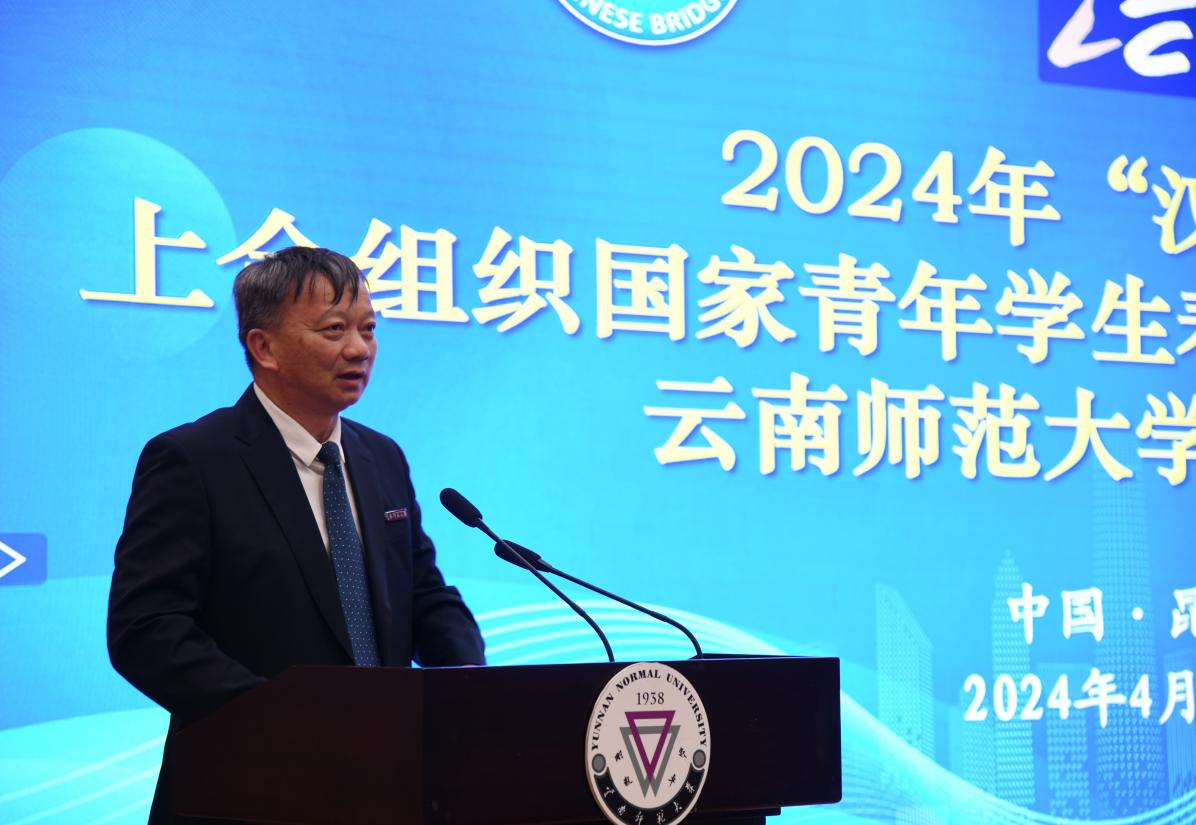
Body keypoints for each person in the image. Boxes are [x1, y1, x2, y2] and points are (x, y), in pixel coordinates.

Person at [107, 246, 485, 824]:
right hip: (246, 788)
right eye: (334, 330)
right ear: (264, 347)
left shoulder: (381, 457)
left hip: (386, 784)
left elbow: (423, 595)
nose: (359, 349)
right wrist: (282, 719)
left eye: (368, 329)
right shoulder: (193, 460)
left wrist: (471, 690)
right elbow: (146, 630)